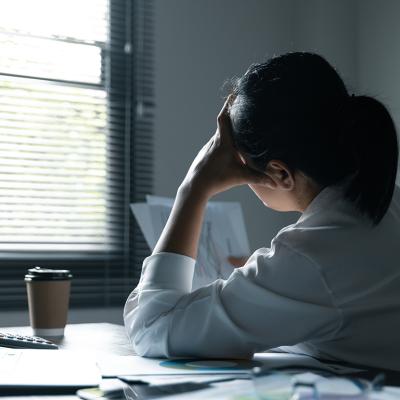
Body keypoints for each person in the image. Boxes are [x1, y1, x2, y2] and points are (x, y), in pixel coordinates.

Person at [124, 52, 400, 371]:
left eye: (240, 161)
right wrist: (264, 288)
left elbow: (152, 328)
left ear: (279, 173)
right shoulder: (382, 207)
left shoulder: (314, 258)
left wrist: (193, 187)